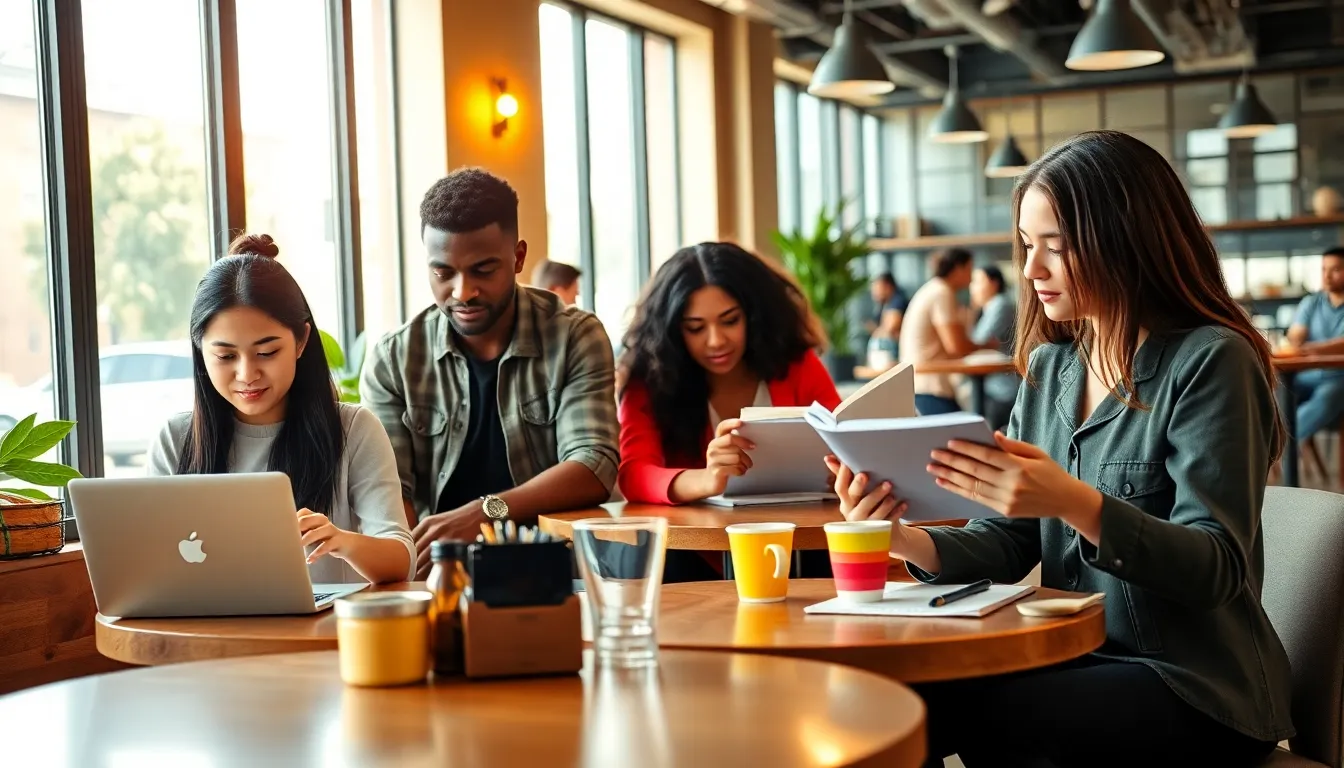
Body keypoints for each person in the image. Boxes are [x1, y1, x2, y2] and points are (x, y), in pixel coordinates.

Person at [827, 131, 1292, 767]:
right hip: (1079, 657)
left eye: (1057, 246)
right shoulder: (1051, 369)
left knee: (964, 711)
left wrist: (1076, 503)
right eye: (1025, 245)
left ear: (1127, 240)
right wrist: (902, 537)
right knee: (891, 695)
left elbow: (1216, 568)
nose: (1030, 270)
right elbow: (1012, 538)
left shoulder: (1212, 360)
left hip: (1198, 689)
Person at [361, 168, 619, 578]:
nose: (462, 292)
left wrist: (487, 511)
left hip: (561, 566)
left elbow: (594, 464)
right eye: (443, 273)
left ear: (518, 257)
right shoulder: (395, 358)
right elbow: (390, 492)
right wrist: (419, 574)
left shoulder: (573, 335)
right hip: (444, 571)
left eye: (483, 270)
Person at [147, 234, 414, 585]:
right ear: (200, 351)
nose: (247, 374)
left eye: (267, 352)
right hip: (207, 635)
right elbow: (149, 563)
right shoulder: (176, 438)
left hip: (317, 637)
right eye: (226, 356)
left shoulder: (353, 429)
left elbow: (401, 561)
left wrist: (343, 542)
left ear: (301, 340)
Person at [617, 243, 840, 580]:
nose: (715, 341)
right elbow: (634, 473)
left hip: (800, 546)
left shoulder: (796, 364)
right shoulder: (649, 379)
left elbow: (843, 439)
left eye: (730, 320)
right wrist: (707, 479)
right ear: (673, 330)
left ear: (754, 314)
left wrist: (843, 469)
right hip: (693, 555)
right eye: (695, 327)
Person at [898, 248, 989, 415]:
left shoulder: (933, 289)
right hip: (929, 386)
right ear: (957, 268)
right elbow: (956, 346)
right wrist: (988, 346)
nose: (971, 278)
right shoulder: (942, 292)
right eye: (969, 269)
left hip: (920, 383)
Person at [1283, 245, 1344, 440]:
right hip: (1307, 374)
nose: (1327, 276)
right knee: (1277, 390)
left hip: (1339, 377)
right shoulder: (1311, 302)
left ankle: (1281, 443)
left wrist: (1310, 348)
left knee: (1328, 398)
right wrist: (1297, 337)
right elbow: (1295, 336)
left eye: (1335, 270)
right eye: (1324, 269)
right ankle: (1270, 440)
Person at [969, 265, 1018, 431]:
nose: (972, 287)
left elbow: (979, 340)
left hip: (1004, 387)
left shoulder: (1000, 304)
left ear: (994, 283)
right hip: (993, 384)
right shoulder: (989, 307)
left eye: (977, 281)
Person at [864, 272, 908, 355]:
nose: (874, 293)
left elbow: (890, 328)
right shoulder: (883, 304)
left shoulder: (897, 300)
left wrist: (877, 331)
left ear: (887, 286)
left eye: (877, 288)